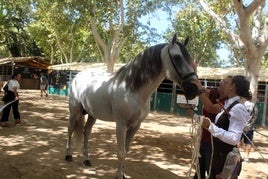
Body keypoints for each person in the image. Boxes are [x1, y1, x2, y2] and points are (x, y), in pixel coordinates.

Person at [197, 75, 250, 179]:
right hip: (219, 156)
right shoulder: (230, 105)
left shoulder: (238, 108)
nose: (223, 85)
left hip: (225, 158)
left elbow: (234, 138)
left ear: (232, 87)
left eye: (227, 83)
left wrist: (211, 127)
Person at [189, 76, 232, 179]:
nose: (220, 82)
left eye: (224, 82)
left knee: (211, 170)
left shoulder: (227, 102)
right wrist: (194, 80)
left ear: (230, 87)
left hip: (214, 143)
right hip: (203, 138)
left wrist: (199, 88)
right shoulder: (214, 93)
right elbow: (202, 90)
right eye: (221, 80)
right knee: (199, 169)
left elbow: (211, 108)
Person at [238, 96, 258, 162]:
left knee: (237, 141)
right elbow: (255, 115)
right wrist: (251, 125)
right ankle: (246, 157)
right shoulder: (254, 105)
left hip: (241, 127)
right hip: (250, 127)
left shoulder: (241, 105)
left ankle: (238, 156)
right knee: (248, 142)